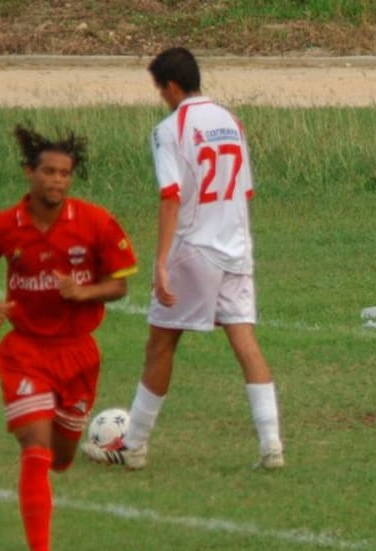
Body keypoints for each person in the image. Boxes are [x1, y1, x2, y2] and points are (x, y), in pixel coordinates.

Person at [82, 46, 283, 470]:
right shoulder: (232, 121)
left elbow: (171, 197)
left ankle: (133, 445)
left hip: (194, 249)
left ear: (171, 86)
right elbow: (244, 191)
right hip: (237, 246)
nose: (161, 97)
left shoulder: (169, 129)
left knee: (160, 344)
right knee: (245, 340)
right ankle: (272, 446)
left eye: (160, 90)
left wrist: (161, 262)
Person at [0, 123, 138, 551]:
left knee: (62, 455)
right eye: (49, 172)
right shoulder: (2, 227)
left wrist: (84, 292)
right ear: (30, 173)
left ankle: (65, 451)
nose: (57, 181)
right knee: (35, 450)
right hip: (24, 353)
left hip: (78, 355)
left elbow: (120, 284)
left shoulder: (96, 222)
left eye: (65, 173)